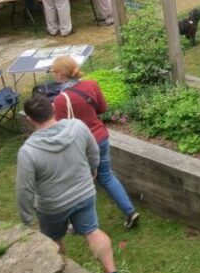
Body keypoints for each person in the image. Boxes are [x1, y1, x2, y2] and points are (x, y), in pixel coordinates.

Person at [16, 94, 124, 273]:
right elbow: (93, 152)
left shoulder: (28, 151)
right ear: (52, 108)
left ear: (29, 119)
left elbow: (24, 189)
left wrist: (27, 219)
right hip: (85, 194)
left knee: (53, 241)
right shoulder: (77, 126)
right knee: (92, 231)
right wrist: (92, 170)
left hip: (52, 207)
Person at [50, 56, 140, 230]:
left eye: (53, 72)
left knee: (79, 184)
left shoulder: (62, 99)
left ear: (61, 75)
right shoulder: (91, 84)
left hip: (81, 145)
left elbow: (61, 128)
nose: (53, 75)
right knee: (106, 176)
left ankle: (79, 224)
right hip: (101, 138)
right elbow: (103, 109)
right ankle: (130, 211)